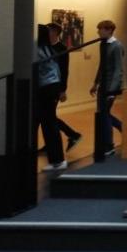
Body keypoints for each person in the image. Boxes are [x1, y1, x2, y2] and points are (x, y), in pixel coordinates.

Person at [46, 22, 82, 151]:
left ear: (55, 32)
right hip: (45, 86)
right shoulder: (45, 47)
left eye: (49, 30)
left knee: (48, 116)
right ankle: (51, 143)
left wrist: (62, 90)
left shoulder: (62, 49)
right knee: (46, 116)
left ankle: (73, 135)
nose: (47, 33)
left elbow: (64, 70)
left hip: (55, 87)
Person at [91, 19, 124, 158]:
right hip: (103, 85)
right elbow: (102, 65)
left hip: (110, 86)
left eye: (101, 29)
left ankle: (109, 145)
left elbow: (118, 69)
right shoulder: (102, 44)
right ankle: (124, 128)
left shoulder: (117, 46)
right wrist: (95, 83)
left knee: (104, 114)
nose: (98, 32)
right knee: (103, 114)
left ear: (109, 30)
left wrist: (112, 90)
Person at [37, 24, 67, 172]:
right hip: (50, 87)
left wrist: (62, 89)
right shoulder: (48, 49)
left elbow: (62, 70)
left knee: (49, 124)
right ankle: (56, 159)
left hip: (48, 88)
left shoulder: (41, 50)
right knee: (49, 123)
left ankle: (58, 160)